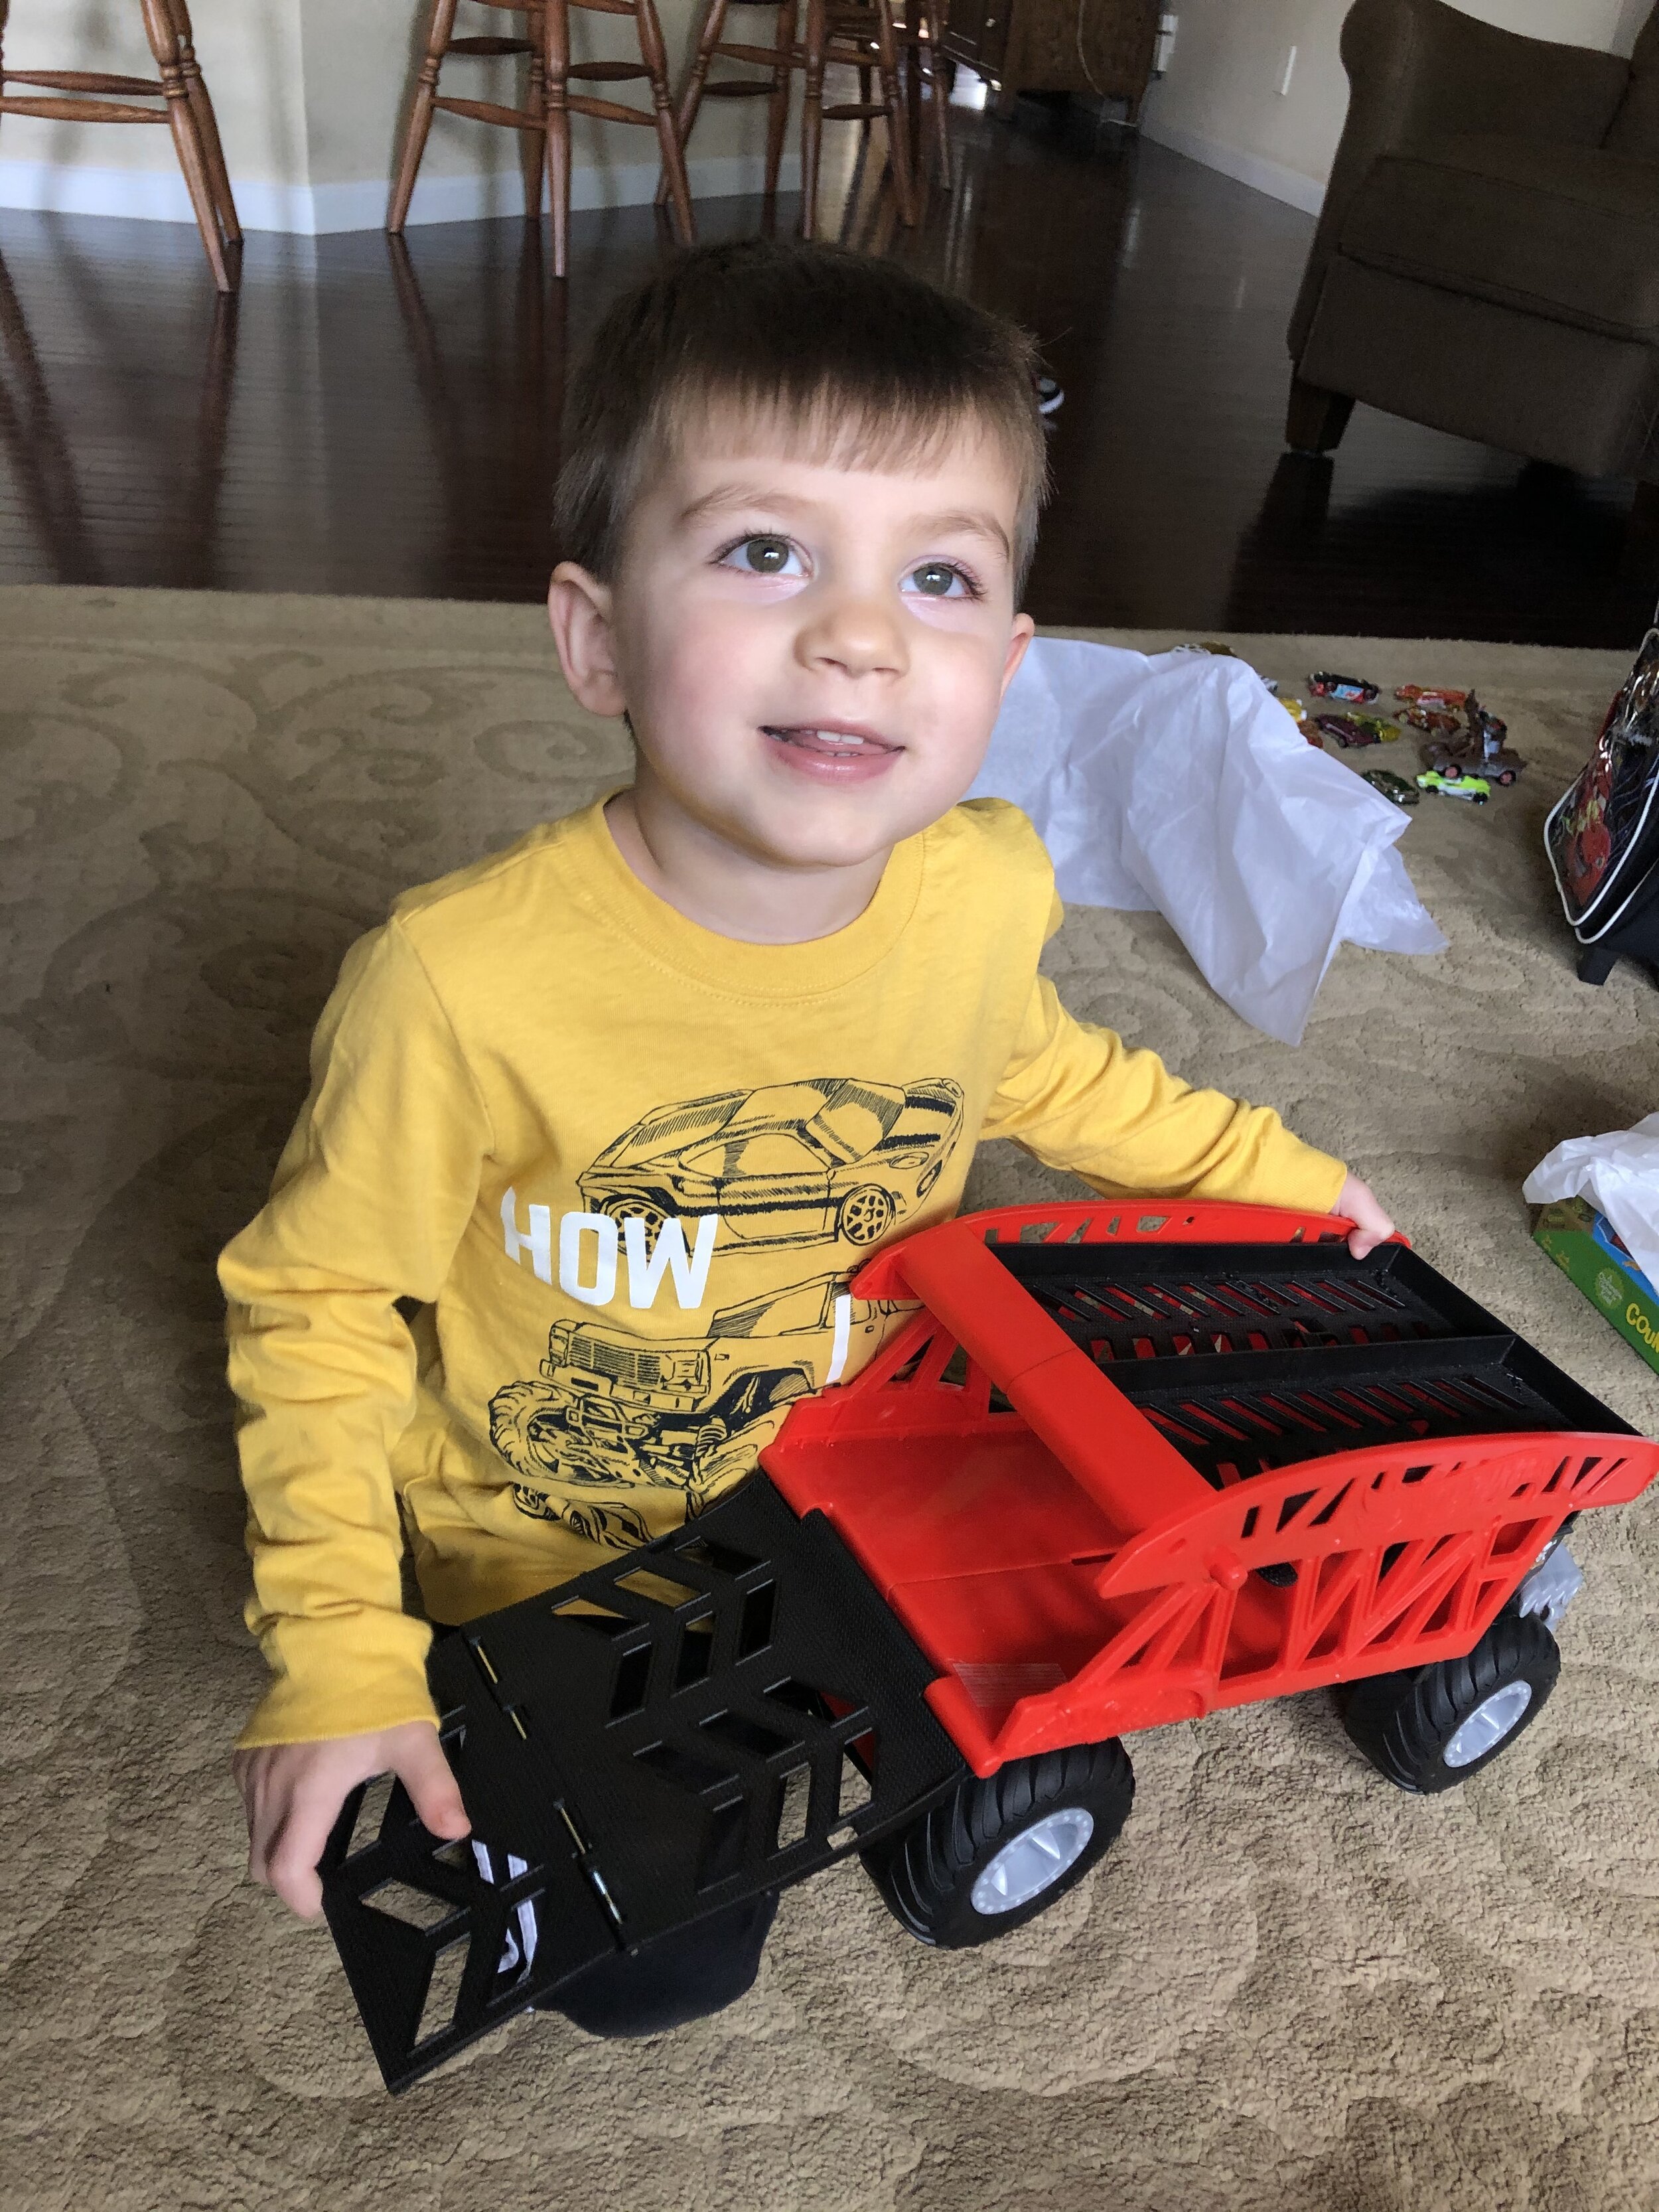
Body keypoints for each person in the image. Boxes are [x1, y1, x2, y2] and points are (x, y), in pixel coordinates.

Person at [224, 238, 1394, 2035]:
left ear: (1002, 664)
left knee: (1046, 1665)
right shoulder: (455, 986)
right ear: (597, 636)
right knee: (650, 1971)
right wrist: (337, 1649)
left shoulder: (978, 888)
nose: (856, 634)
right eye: (765, 553)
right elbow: (313, 1309)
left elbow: (1050, 1079)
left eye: (935, 576)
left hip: (842, 1484)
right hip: (551, 1546)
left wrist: (1286, 1179)